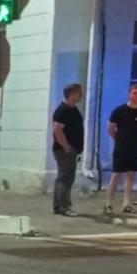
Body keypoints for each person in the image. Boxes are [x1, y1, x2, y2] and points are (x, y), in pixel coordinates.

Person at [104, 84, 137, 215]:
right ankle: (108, 204)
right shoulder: (120, 110)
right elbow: (110, 128)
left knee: (131, 175)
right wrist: (119, 139)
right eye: (135, 93)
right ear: (130, 94)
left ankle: (126, 204)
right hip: (121, 148)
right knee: (116, 174)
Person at [51, 83, 84, 216]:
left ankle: (58, 206)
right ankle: (64, 207)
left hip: (71, 149)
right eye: (78, 93)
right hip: (64, 150)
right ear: (71, 94)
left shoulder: (73, 109)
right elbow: (58, 130)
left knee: (63, 178)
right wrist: (66, 147)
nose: (80, 95)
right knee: (66, 178)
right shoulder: (63, 110)